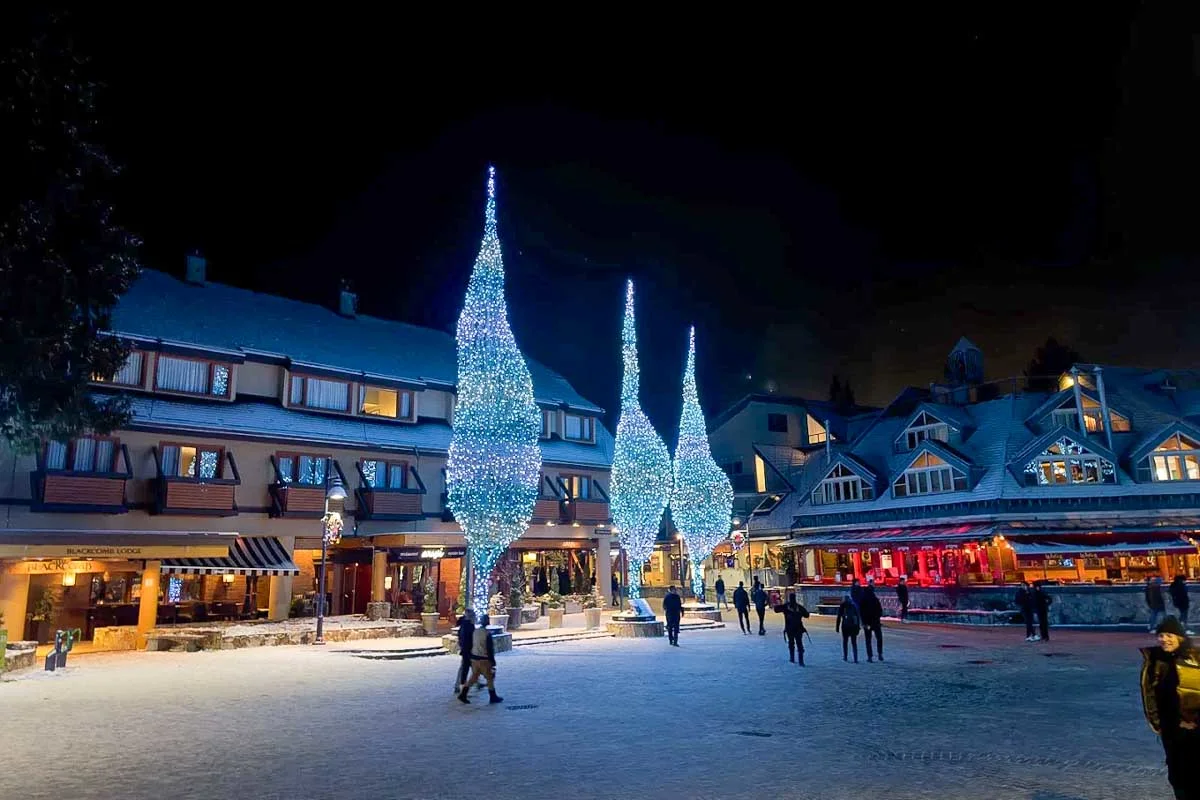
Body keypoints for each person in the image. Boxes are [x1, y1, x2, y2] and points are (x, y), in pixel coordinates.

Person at [1140, 616, 1200, 799]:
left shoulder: (1195, 658)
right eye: (1161, 635)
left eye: (1169, 635)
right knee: (1177, 775)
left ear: (1180, 637)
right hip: (1171, 729)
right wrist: (1158, 723)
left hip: (1196, 729)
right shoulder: (1154, 661)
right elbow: (1148, 693)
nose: (1164, 639)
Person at [458, 613, 502, 705]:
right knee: (489, 678)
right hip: (483, 658)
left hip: (474, 657)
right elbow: (490, 649)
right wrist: (492, 660)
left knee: (474, 676)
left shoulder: (475, 631)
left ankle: (463, 693)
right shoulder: (487, 634)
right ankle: (492, 696)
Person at [775, 592, 810, 665]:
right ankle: (801, 661)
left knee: (791, 643)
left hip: (790, 629)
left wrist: (779, 602)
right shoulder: (799, 607)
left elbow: (776, 609)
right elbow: (807, 615)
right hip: (798, 629)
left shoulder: (786, 606)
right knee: (799, 644)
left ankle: (792, 658)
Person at [453, 608, 476, 695]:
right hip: (468, 650)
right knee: (466, 668)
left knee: (468, 668)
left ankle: (459, 685)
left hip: (466, 649)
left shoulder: (465, 624)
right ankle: (461, 686)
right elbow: (468, 638)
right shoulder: (468, 625)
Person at [860, 582, 884, 662]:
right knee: (879, 638)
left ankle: (870, 656)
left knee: (868, 640)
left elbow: (861, 612)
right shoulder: (875, 599)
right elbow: (880, 610)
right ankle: (880, 653)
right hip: (876, 622)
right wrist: (877, 617)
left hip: (867, 622)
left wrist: (863, 622)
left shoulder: (863, 599)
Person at [836, 594, 861, 663]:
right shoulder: (853, 606)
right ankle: (855, 658)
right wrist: (858, 626)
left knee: (845, 642)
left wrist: (837, 627)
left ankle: (845, 656)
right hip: (853, 627)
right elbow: (857, 617)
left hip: (845, 626)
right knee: (854, 642)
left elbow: (839, 617)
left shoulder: (842, 606)